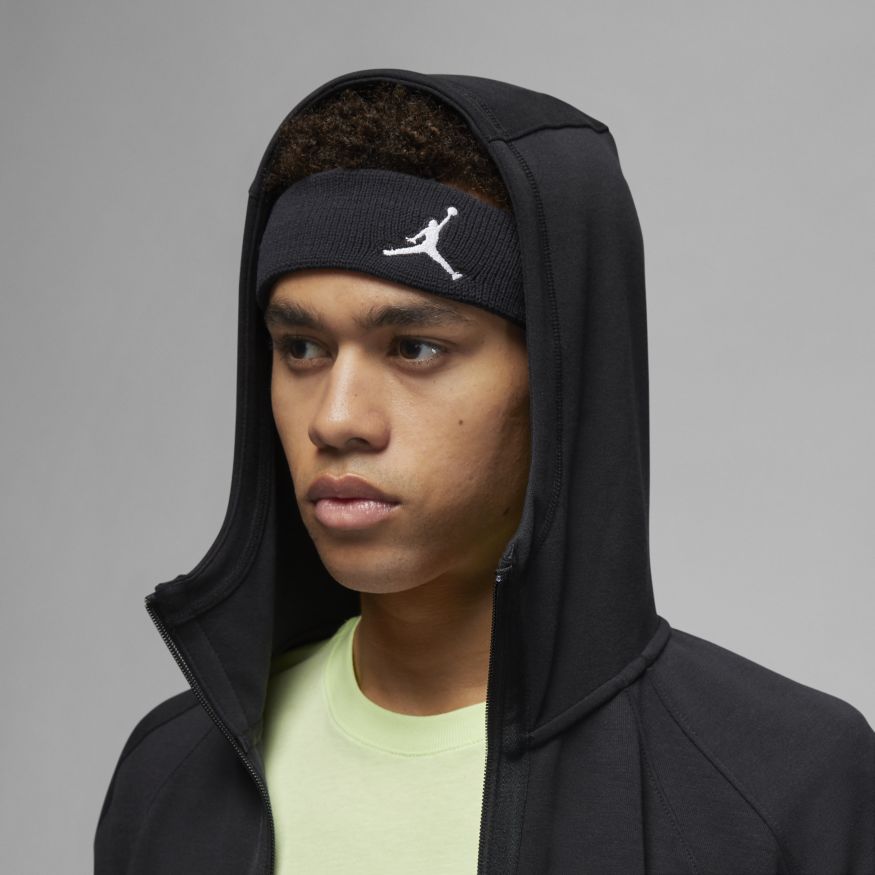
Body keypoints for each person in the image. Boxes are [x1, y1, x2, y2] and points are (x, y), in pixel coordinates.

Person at [94, 69, 874, 874]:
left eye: (415, 348)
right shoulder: (170, 775)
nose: (336, 417)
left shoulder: (783, 790)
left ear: (558, 380)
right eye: (301, 348)